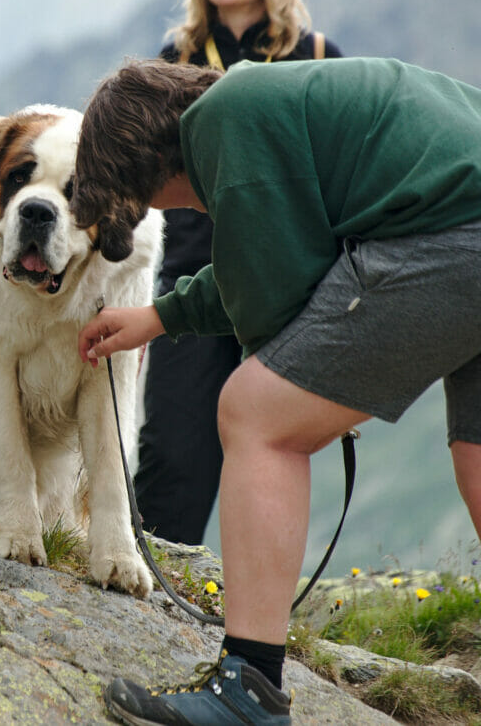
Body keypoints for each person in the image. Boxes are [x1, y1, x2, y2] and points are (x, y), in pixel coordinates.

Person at [72, 56, 481, 725]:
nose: (172, 206)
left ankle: (249, 688)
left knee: (256, 411)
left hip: (455, 238)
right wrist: (160, 316)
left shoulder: (223, 122)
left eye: (144, 197)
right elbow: (271, 259)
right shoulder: (260, 100)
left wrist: (305, 378)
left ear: (144, 164)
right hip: (462, 220)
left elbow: (276, 300)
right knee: (478, 457)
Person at [136, 0, 342, 545]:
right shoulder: (177, 56)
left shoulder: (315, 55)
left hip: (287, 276)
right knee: (173, 439)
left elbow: (337, 168)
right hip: (189, 264)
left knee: (270, 443)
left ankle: (252, 604)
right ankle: (162, 578)